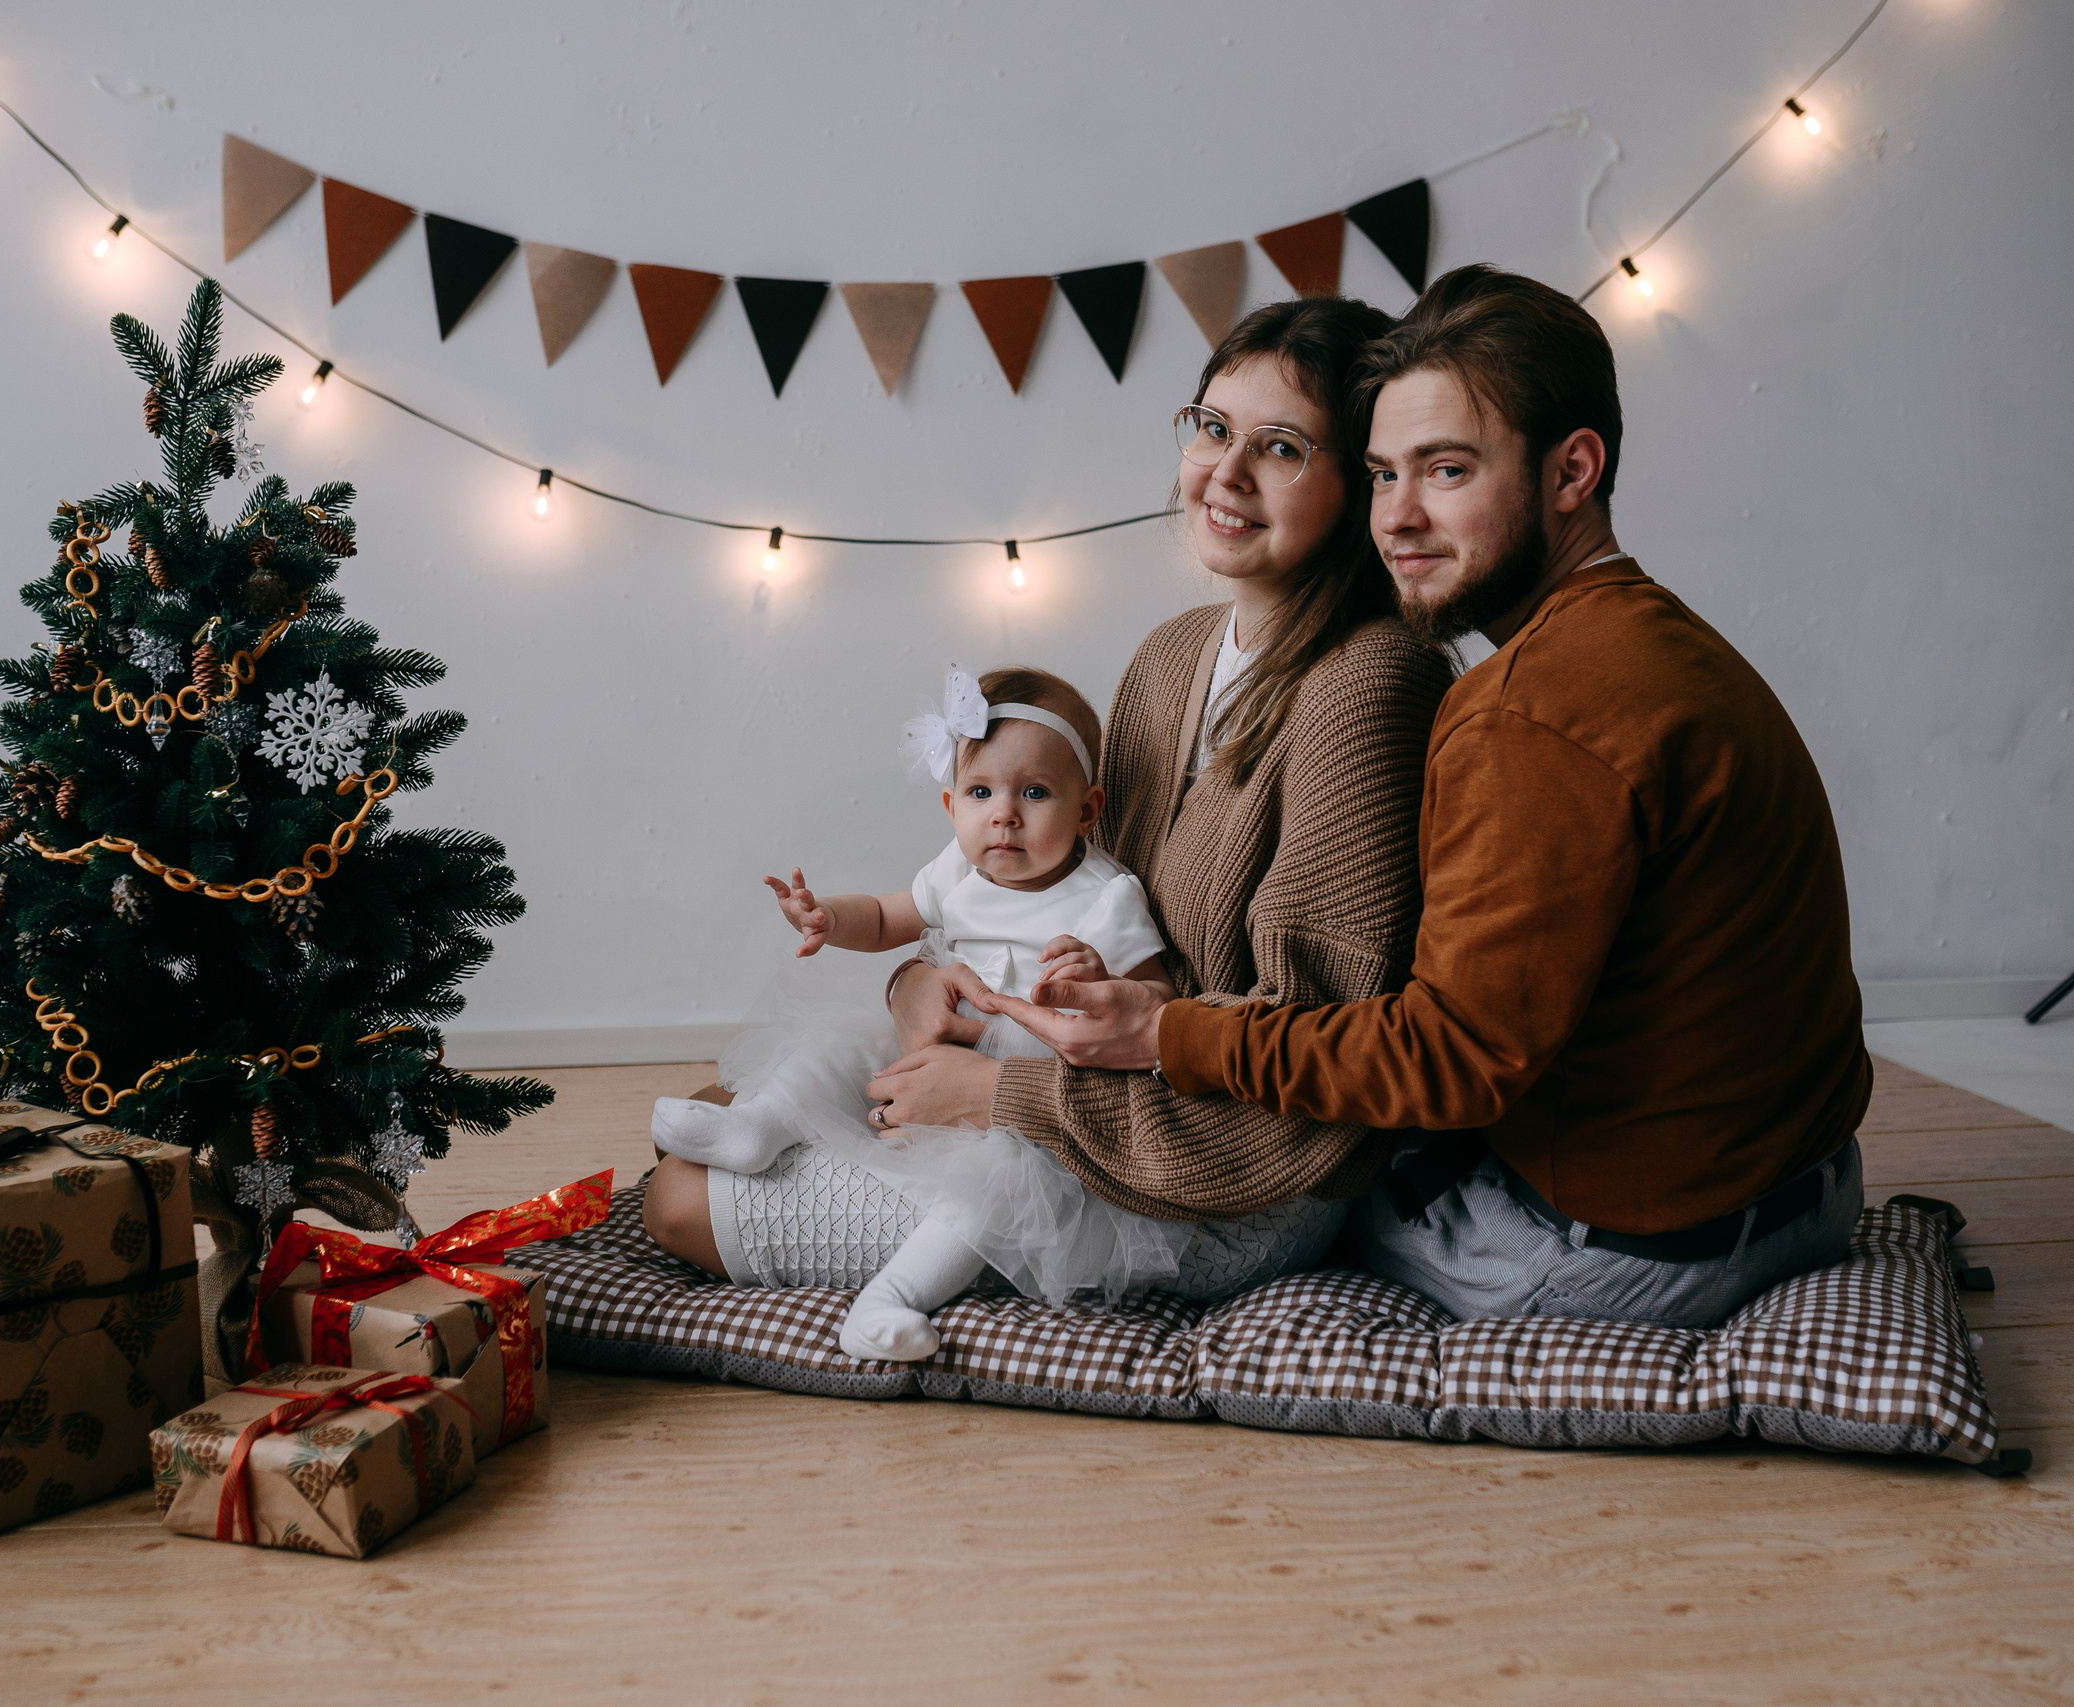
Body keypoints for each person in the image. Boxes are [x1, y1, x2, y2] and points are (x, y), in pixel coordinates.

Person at [972, 264, 1870, 1331]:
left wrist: (1168, 1037)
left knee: (1288, 1188)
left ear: (1571, 471)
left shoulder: (1523, 714)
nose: (1396, 519)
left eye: (1446, 471)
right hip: (1803, 1187)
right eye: (1383, 474)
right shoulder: (1643, 634)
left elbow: (1445, 1062)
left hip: (1640, 1249)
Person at [641, 295, 1455, 1329]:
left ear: (1362, 483)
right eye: (1213, 428)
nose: (1226, 474)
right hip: (1074, 1085)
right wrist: (918, 987)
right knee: (731, 1111)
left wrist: (996, 1098)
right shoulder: (1174, 654)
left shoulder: (1368, 687)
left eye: (1282, 448)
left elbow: (1315, 1067)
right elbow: (1053, 895)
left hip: (1226, 1181)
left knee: (678, 1198)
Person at [650, 665, 1190, 1361]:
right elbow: (883, 918)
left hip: (1024, 1098)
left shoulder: (1105, 897)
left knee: (998, 1188)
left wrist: (1098, 975)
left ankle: (892, 1298)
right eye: (981, 792)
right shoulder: (958, 872)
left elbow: (1159, 1008)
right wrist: (825, 917)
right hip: (937, 1042)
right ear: (950, 804)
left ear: (1087, 811)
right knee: (839, 1045)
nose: (1004, 814)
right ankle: (762, 1126)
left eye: (1034, 792)